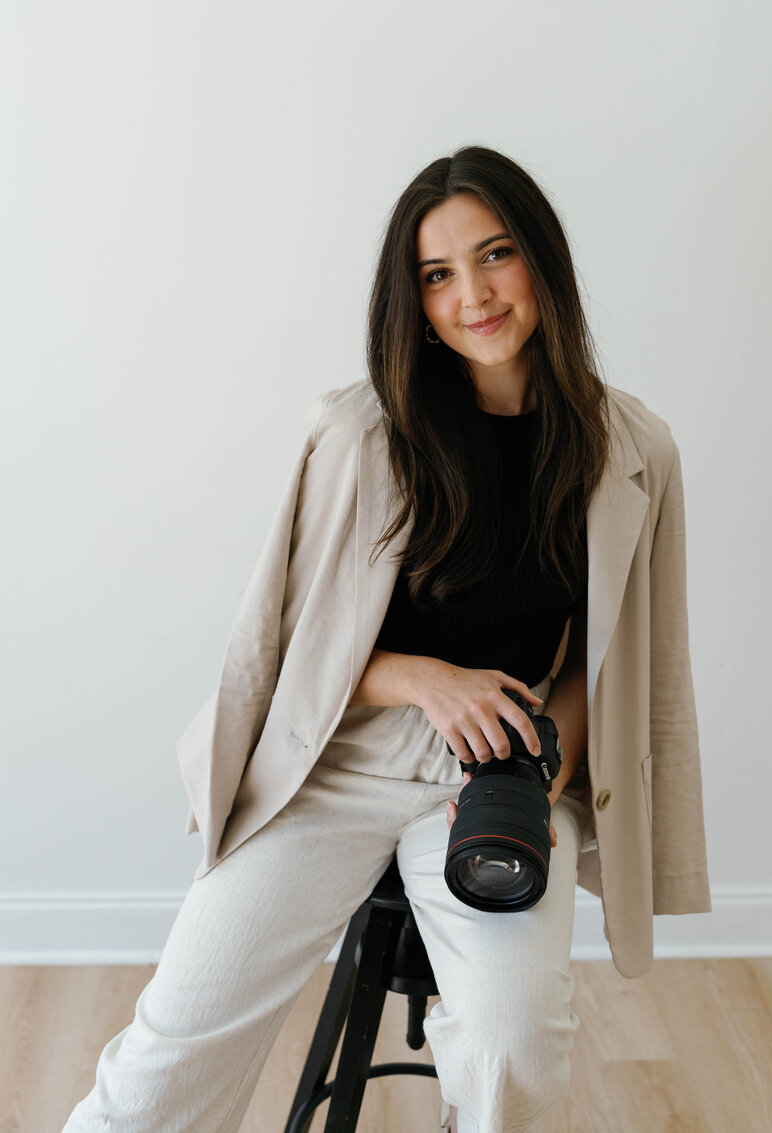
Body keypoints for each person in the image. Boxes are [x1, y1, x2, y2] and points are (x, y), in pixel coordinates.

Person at [62, 145, 711, 1133]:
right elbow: (284, 651)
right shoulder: (357, 433)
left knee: (514, 1045)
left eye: (495, 255)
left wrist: (533, 784)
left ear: (542, 259)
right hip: (335, 760)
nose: (474, 295)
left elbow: (606, 664)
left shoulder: (632, 449)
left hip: (498, 770)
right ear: (410, 297)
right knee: (166, 1061)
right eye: (437, 274)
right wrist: (421, 676)